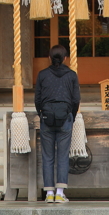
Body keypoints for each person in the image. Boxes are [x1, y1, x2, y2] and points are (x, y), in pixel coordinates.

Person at [34, 44, 80, 204]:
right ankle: (60, 193)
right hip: (65, 117)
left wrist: (41, 113)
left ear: (49, 58)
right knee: (62, 155)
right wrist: (71, 116)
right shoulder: (72, 75)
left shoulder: (42, 75)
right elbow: (75, 100)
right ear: (65, 58)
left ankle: (49, 193)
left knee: (47, 156)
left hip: (46, 118)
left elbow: (38, 99)